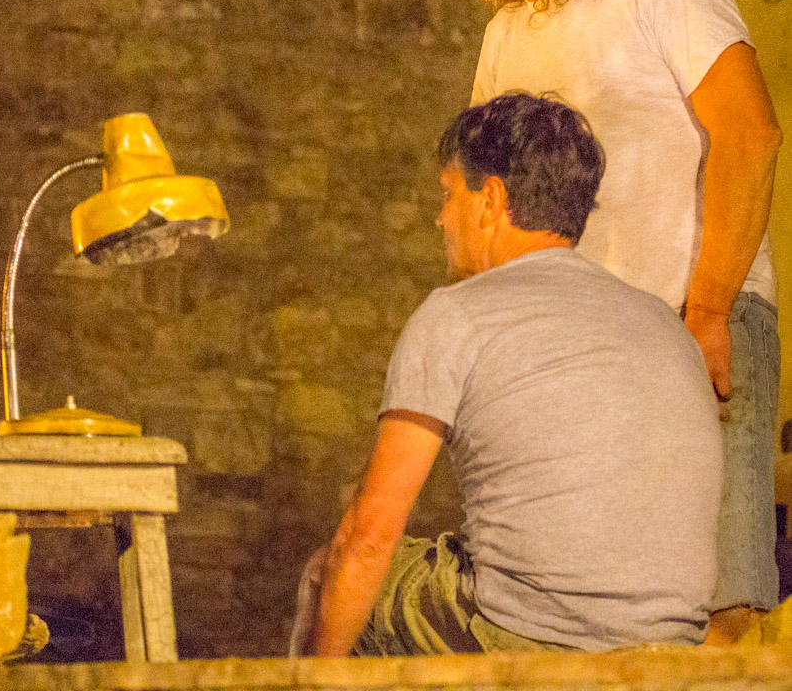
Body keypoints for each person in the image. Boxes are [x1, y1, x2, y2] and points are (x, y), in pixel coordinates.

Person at [445, 0, 782, 642]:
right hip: (578, 361)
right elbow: (488, 208)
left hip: (690, 318)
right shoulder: (503, 36)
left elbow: (748, 132)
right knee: (589, 615)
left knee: (718, 605)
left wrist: (708, 313)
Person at [295, 93, 723, 657]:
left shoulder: (457, 315)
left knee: (333, 575)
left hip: (528, 640)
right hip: (671, 648)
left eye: (449, 194)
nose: (440, 218)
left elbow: (368, 537)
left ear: (491, 200)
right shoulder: (666, 324)